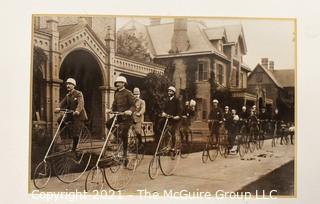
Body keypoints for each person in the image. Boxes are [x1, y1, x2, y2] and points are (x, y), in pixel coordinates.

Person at [105, 76, 135, 163]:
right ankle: (119, 138)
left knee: (125, 132)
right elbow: (114, 105)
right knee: (108, 123)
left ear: (123, 83)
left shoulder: (128, 93)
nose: (117, 84)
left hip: (127, 118)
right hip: (119, 116)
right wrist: (110, 110)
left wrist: (130, 111)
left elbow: (133, 105)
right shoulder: (117, 94)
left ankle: (125, 153)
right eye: (116, 83)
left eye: (119, 83)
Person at [55, 78, 88, 151]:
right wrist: (58, 108)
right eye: (67, 84)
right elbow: (62, 103)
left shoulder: (78, 93)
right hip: (71, 115)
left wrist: (77, 111)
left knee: (76, 132)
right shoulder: (68, 95)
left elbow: (81, 103)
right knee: (60, 120)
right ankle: (68, 132)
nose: (68, 85)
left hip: (78, 115)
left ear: (74, 85)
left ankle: (74, 148)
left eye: (70, 84)